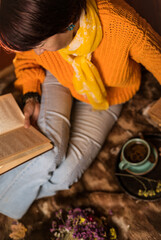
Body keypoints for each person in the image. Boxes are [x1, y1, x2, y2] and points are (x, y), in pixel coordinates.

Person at [0, 0, 161, 220]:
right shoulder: (39, 34)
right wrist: (31, 95)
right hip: (57, 77)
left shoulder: (123, 26)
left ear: (66, 22)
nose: (38, 52)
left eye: (41, 44)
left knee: (65, 177)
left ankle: (10, 198)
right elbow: (26, 59)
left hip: (109, 96)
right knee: (48, 154)